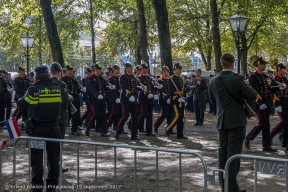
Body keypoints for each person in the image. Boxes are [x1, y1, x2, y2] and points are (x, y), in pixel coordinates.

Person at [208, 53, 257, 192]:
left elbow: (212, 101)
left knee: (223, 154)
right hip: (236, 121)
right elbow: (253, 95)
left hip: (221, 121)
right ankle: (231, 188)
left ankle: (225, 186)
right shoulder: (237, 79)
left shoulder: (213, 81)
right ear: (232, 64)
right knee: (233, 155)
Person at [18, 66, 62, 192]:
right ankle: (51, 187)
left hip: (37, 130)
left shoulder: (34, 90)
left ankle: (37, 188)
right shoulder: (57, 89)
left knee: (37, 160)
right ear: (49, 75)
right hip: (54, 128)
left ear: (36, 77)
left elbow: (21, 103)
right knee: (54, 159)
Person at [244, 57, 284, 151]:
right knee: (262, 123)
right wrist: (260, 102)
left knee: (266, 125)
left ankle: (266, 145)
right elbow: (255, 91)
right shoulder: (253, 77)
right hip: (260, 103)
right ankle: (249, 137)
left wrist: (279, 87)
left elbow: (268, 89)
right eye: (263, 64)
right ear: (258, 65)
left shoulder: (263, 76)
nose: (265, 66)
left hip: (267, 102)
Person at [115, 62, 140, 140]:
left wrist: (138, 90)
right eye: (129, 67)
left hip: (133, 99)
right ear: (126, 68)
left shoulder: (133, 76)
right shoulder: (123, 77)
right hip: (126, 99)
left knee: (135, 117)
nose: (131, 68)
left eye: (131, 67)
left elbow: (134, 87)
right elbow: (124, 87)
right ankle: (117, 131)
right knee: (125, 116)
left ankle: (134, 135)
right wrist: (129, 96)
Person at [86, 64, 110, 137]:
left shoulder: (101, 78)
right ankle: (87, 128)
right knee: (95, 114)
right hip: (94, 100)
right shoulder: (91, 78)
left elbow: (104, 87)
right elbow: (91, 88)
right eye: (97, 70)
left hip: (102, 99)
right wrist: (97, 94)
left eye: (99, 70)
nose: (99, 71)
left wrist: (109, 87)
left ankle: (104, 131)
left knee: (103, 116)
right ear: (94, 70)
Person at [137, 62, 161, 136]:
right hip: (143, 98)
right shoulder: (139, 78)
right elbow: (139, 88)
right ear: (141, 69)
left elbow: (151, 87)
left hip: (149, 98)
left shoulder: (148, 78)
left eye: (146, 69)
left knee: (149, 116)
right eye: (144, 69)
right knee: (143, 114)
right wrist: (147, 93)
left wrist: (157, 87)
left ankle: (149, 131)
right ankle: (133, 124)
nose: (146, 70)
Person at [165, 63, 188, 139]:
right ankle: (168, 127)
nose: (179, 70)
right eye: (178, 69)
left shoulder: (181, 79)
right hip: (175, 100)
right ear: (175, 70)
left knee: (181, 117)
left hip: (181, 100)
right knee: (178, 115)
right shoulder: (172, 79)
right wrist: (177, 98)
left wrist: (184, 98)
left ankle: (180, 134)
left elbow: (183, 90)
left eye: (180, 69)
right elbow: (171, 92)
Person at [270, 63, 288, 148]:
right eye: (284, 69)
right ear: (280, 69)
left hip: (286, 102)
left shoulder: (285, 79)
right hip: (280, 102)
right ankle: (271, 134)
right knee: (284, 121)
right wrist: (277, 104)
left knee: (287, 122)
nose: (285, 71)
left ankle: (285, 141)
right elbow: (272, 92)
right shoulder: (274, 79)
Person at [61, 65, 82, 135]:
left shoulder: (74, 80)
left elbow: (77, 88)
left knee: (75, 115)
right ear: (66, 71)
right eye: (69, 70)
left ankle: (74, 129)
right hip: (68, 99)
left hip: (74, 99)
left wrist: (81, 90)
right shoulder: (63, 79)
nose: (71, 72)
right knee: (68, 115)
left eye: (71, 70)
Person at [107, 64, 124, 133]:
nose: (118, 70)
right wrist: (116, 98)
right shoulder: (111, 79)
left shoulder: (120, 78)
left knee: (120, 114)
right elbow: (112, 90)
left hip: (120, 98)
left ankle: (118, 127)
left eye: (118, 69)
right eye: (117, 69)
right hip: (114, 99)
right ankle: (108, 125)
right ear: (113, 70)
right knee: (114, 113)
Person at [154, 66, 170, 133]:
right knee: (164, 114)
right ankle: (156, 125)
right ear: (163, 72)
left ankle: (169, 128)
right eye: (166, 71)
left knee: (170, 114)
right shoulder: (160, 80)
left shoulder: (169, 80)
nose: (167, 73)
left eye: (168, 71)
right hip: (163, 99)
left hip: (169, 99)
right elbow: (161, 90)